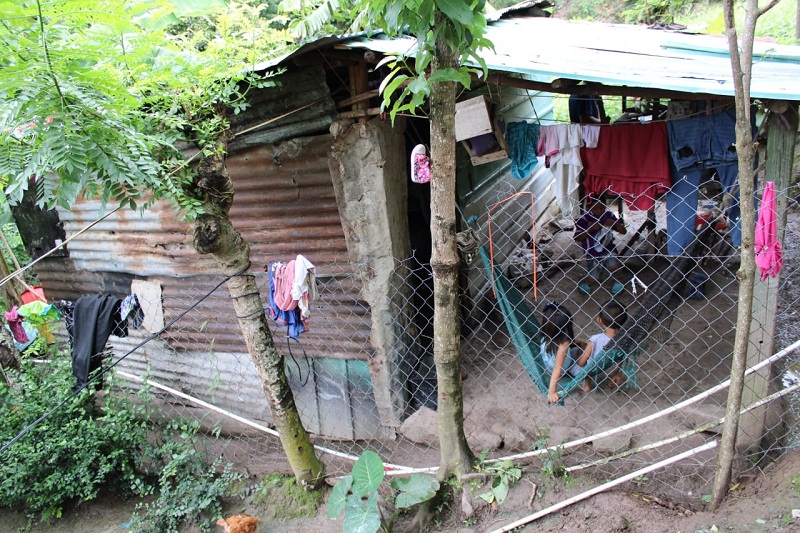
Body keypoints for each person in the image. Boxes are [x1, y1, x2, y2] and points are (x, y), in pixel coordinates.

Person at [574, 194, 627, 296]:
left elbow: (623, 231)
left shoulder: (608, 215)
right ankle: (584, 279)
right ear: (589, 208)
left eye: (602, 207)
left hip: (608, 249)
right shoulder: (584, 219)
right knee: (594, 278)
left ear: (605, 205)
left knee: (614, 266)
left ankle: (618, 282)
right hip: (592, 253)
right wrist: (590, 229)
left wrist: (614, 223)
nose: (599, 210)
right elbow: (577, 238)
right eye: (595, 208)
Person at [574, 300, 628, 391]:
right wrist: (618, 373)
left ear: (599, 320)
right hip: (602, 368)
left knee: (574, 352)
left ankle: (586, 381)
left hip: (588, 370)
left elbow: (581, 363)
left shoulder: (595, 339)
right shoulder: (625, 339)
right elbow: (624, 357)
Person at [540, 302, 585, 404]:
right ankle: (584, 380)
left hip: (548, 364)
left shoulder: (546, 335)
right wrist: (551, 391)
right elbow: (557, 369)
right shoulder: (563, 345)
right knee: (581, 350)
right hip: (561, 368)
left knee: (577, 344)